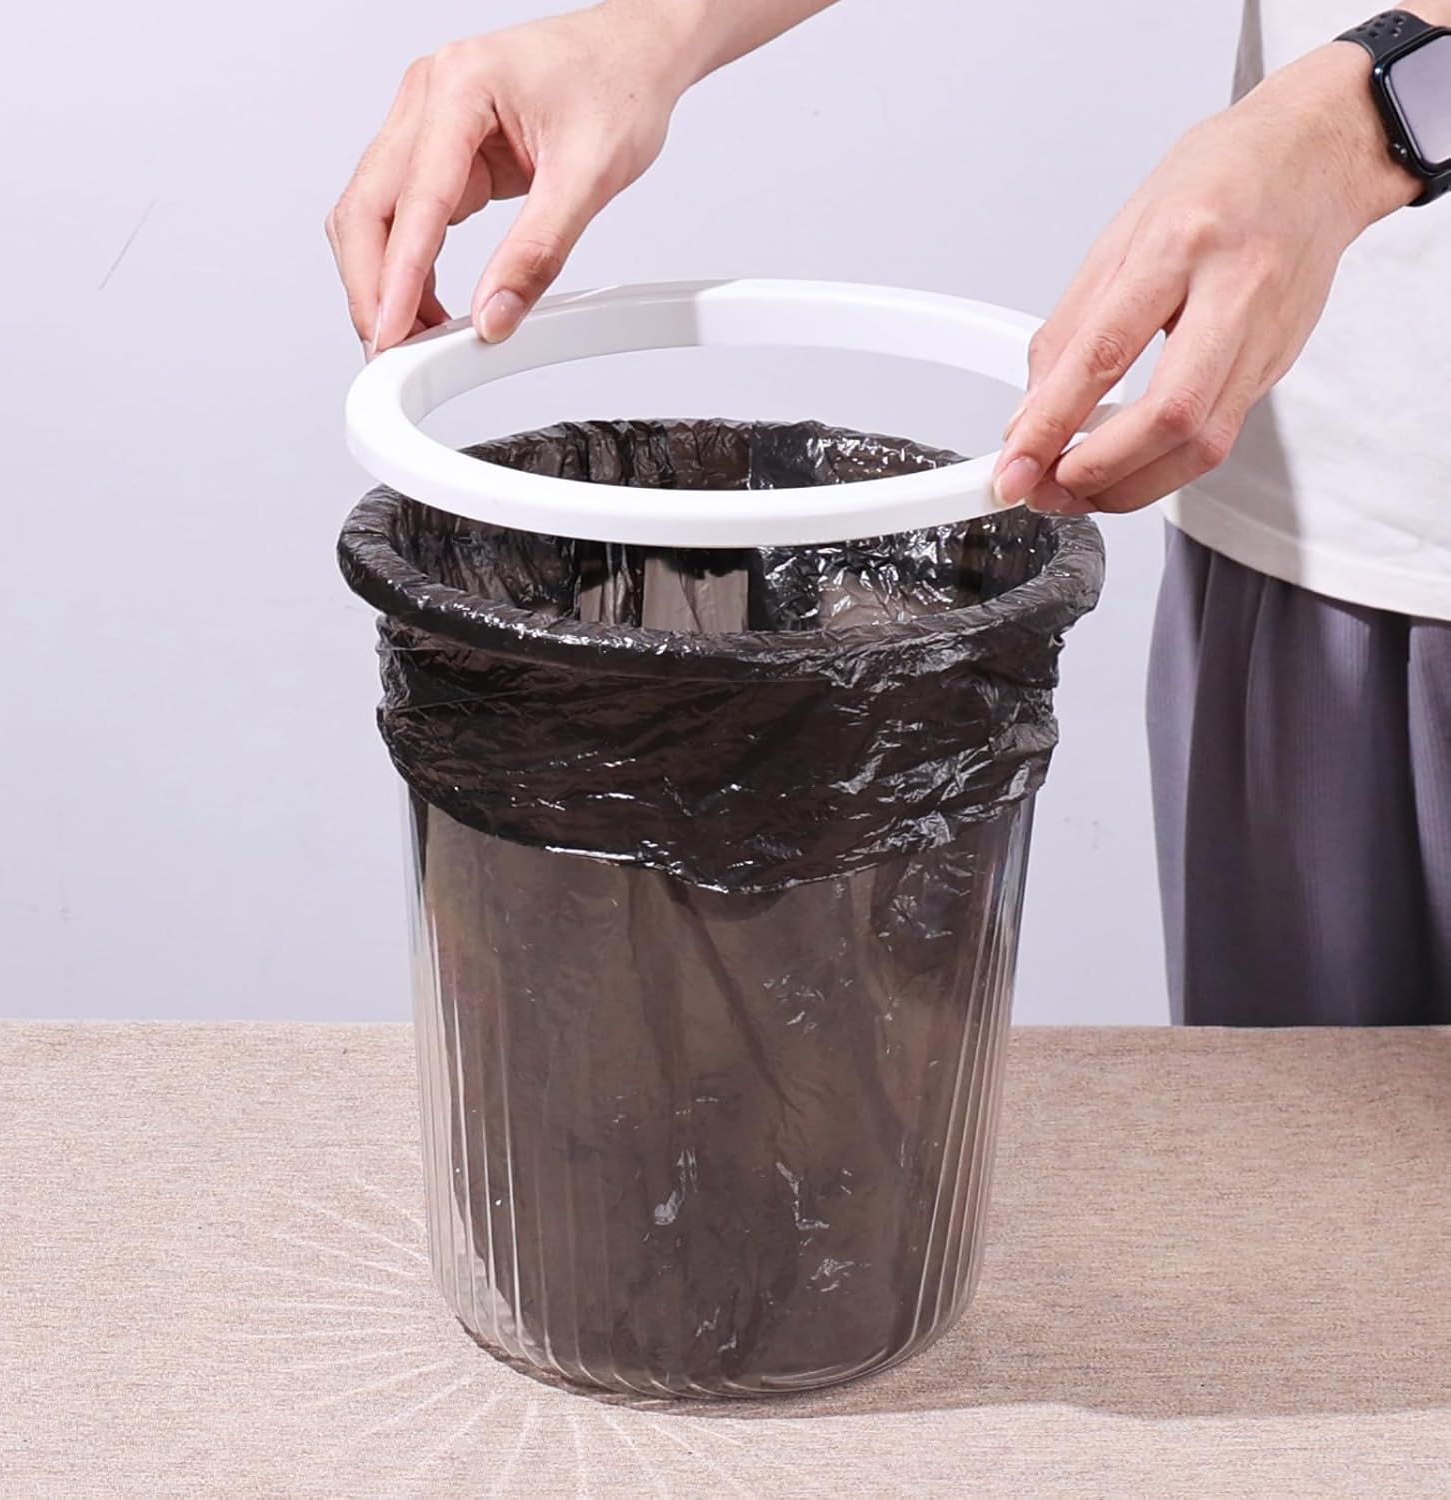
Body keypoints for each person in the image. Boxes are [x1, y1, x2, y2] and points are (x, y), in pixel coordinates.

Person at [328, 1, 1451, 1026]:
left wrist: (1361, 117)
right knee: (1312, 1150)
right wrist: (653, 28)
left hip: (1350, 372)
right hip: (1330, 513)